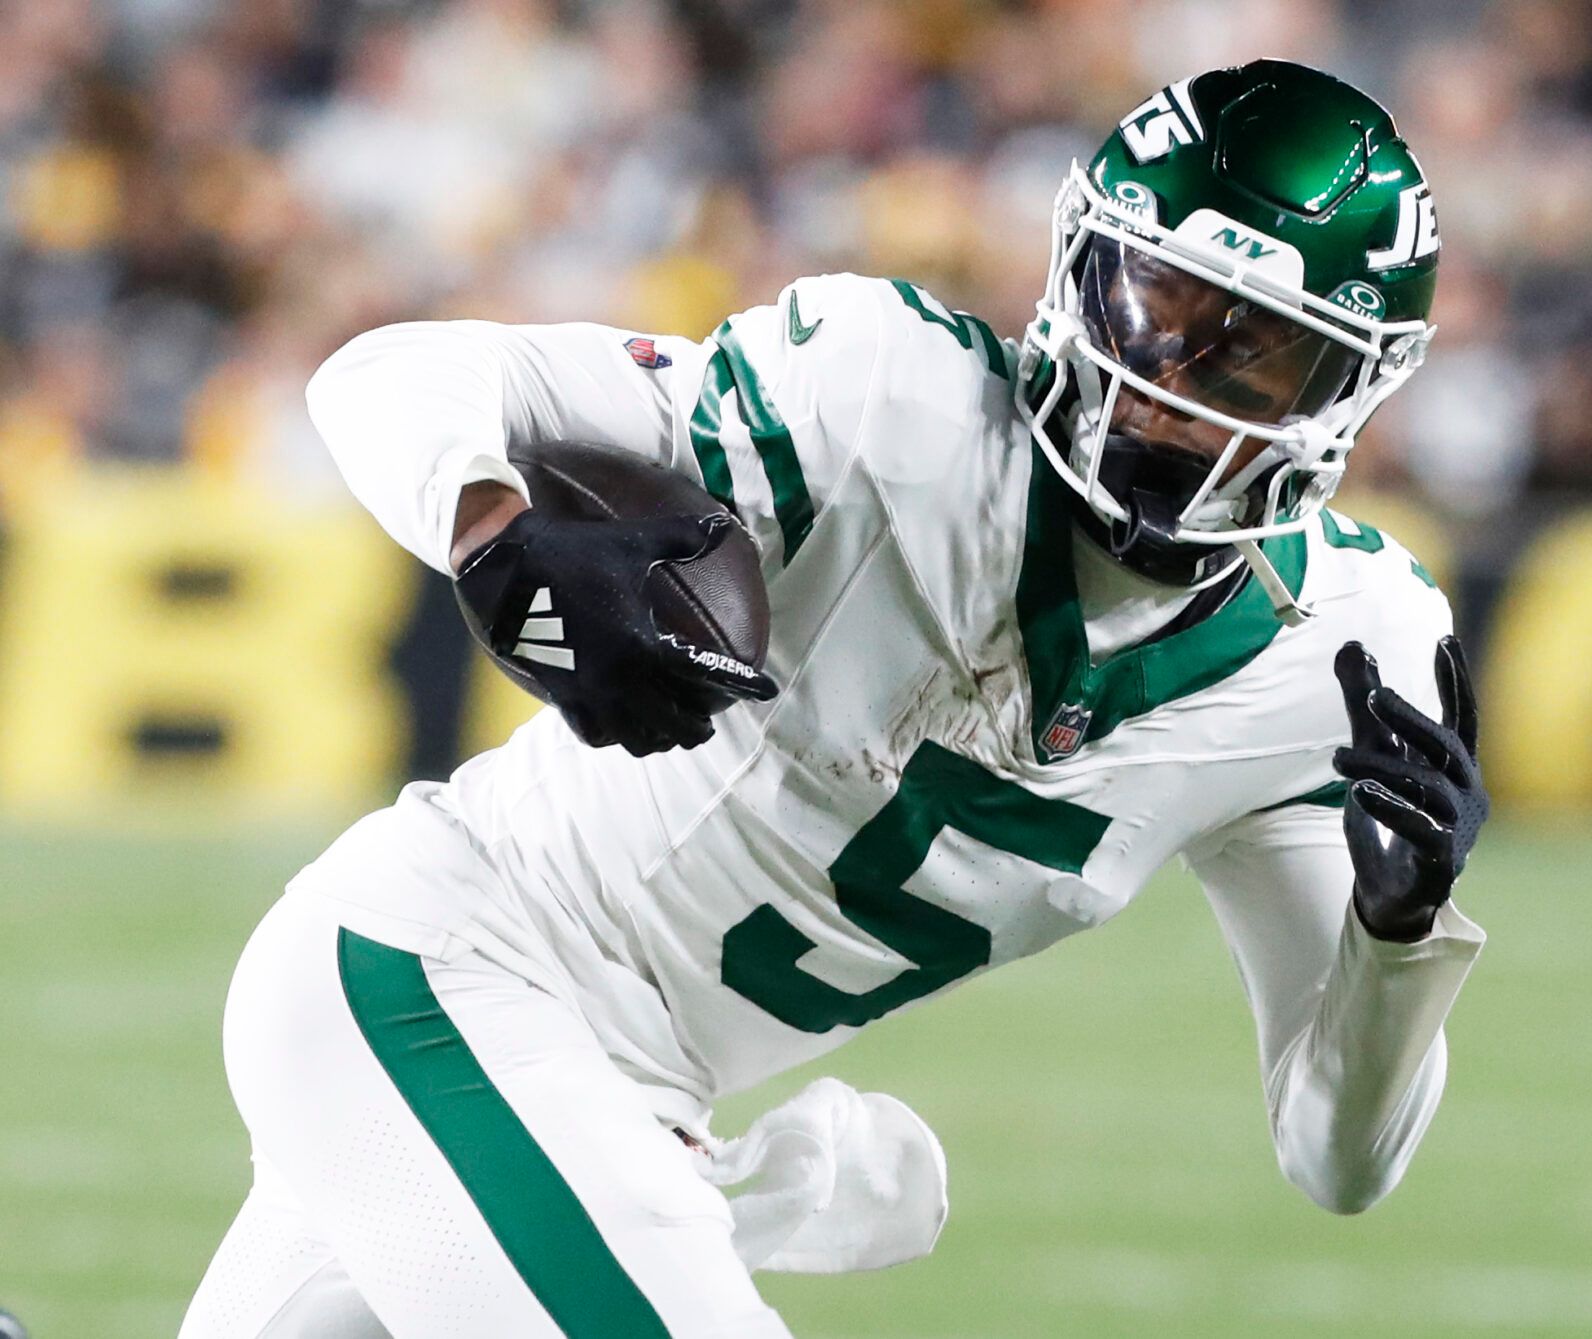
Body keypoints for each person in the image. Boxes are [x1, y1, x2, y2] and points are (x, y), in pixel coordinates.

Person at [182, 60, 1489, 1339]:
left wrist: (1396, 941)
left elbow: (1338, 1160)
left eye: (1249, 359)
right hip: (438, 969)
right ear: (1081, 266)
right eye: (1153, 301)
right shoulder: (885, 397)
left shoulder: (1344, 660)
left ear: (1351, 387)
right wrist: (495, 538)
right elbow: (391, 375)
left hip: (619, 1098)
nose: (1167, 383)